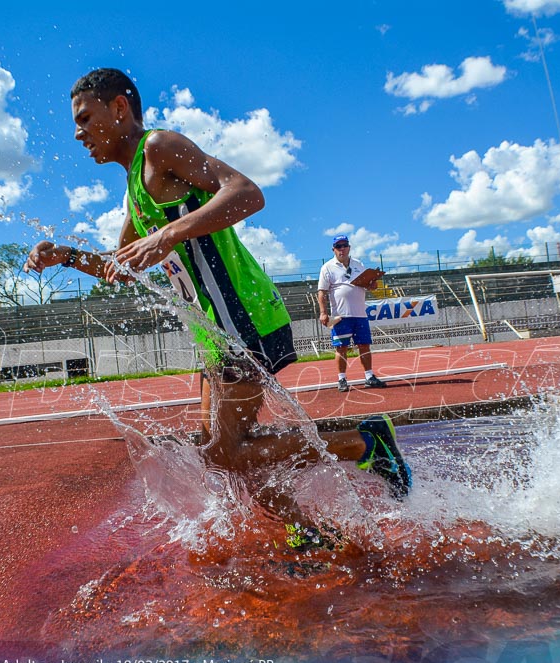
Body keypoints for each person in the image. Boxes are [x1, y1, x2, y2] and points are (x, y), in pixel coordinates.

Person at [24, 68, 411, 549]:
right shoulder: (135, 191)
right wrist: (64, 255)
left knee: (226, 453)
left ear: (119, 108)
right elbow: (120, 268)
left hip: (242, 317)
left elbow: (247, 193)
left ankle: (366, 443)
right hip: (214, 332)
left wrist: (168, 233)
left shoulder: (160, 147)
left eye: (84, 118)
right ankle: (311, 533)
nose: (78, 134)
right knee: (226, 456)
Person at [317, 234, 387, 392]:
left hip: (360, 314)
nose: (342, 249)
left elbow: (367, 286)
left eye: (344, 245)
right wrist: (323, 312)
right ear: (333, 249)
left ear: (349, 247)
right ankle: (342, 379)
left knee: (364, 345)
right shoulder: (327, 267)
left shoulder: (358, 264)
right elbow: (321, 292)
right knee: (341, 347)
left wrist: (372, 284)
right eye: (338, 246)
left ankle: (369, 376)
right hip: (341, 316)